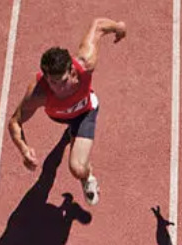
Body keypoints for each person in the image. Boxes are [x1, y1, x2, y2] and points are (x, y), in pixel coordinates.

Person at [8, 18, 127, 206]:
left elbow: (98, 26)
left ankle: (88, 177)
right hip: (59, 116)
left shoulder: (85, 64)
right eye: (51, 82)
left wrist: (118, 27)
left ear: (71, 70)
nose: (57, 88)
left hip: (85, 113)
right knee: (67, 139)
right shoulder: (38, 93)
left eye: (62, 81)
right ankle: (71, 135)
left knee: (77, 169)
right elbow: (15, 121)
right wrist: (23, 149)